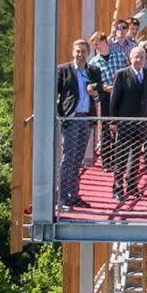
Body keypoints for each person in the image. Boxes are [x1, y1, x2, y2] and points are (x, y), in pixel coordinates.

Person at [107, 45, 147, 201]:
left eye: (142, 57)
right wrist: (113, 120)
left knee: (135, 156)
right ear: (130, 58)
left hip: (142, 123)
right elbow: (114, 99)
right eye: (136, 57)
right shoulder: (122, 74)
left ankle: (131, 186)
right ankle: (117, 188)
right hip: (124, 122)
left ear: (145, 60)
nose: (139, 60)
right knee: (121, 156)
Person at [56, 39, 104, 207]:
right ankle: (61, 197)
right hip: (71, 118)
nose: (80, 54)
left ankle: (73, 194)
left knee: (78, 159)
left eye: (83, 51)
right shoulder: (64, 70)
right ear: (72, 52)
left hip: (87, 118)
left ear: (88, 53)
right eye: (77, 51)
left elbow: (101, 97)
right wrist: (61, 117)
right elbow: (56, 94)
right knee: (68, 158)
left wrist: (94, 94)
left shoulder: (94, 71)